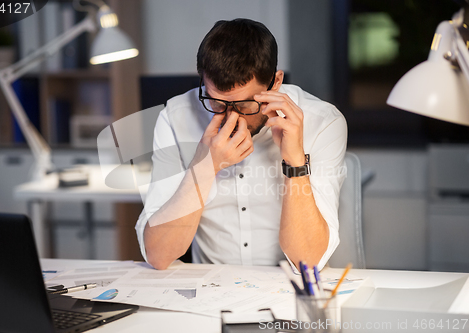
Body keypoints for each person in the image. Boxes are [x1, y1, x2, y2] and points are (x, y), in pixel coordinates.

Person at [135, 18, 347, 271]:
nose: (231, 118)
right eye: (217, 104)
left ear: (276, 82)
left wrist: (294, 163)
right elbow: (159, 255)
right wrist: (206, 165)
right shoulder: (175, 117)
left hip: (290, 287)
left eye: (245, 105)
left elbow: (308, 259)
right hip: (210, 289)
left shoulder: (323, 121)